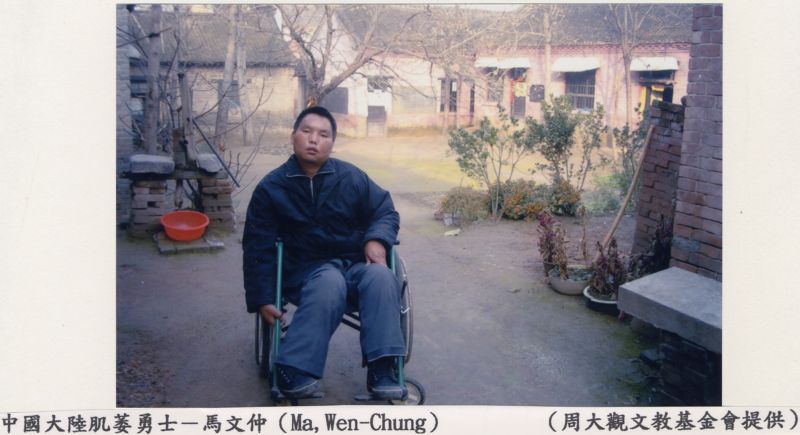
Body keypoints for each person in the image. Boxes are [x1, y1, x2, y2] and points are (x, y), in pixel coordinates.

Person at [242, 106, 406, 400]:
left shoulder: (351, 178)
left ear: (332, 142)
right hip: (304, 271)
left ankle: (383, 368)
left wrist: (377, 240)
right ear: (293, 136)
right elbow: (258, 245)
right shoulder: (271, 188)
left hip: (354, 264)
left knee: (381, 276)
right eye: (306, 131)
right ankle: (294, 368)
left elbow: (385, 211)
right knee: (329, 281)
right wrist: (263, 299)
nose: (313, 140)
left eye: (323, 134)